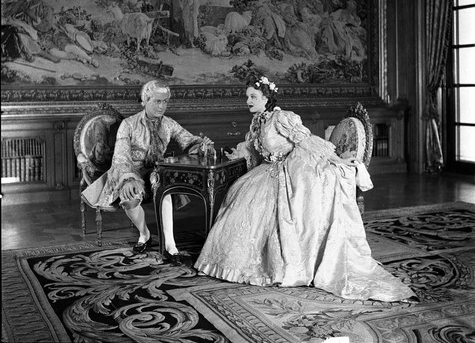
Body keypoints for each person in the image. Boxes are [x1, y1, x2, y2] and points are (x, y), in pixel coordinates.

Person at [194, 76, 416, 302]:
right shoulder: (258, 122)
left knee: (263, 205)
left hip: (290, 169)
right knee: (240, 196)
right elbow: (251, 148)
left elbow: (306, 140)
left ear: (266, 98)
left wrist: (336, 159)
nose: (248, 101)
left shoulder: (281, 118)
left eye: (253, 97)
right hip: (267, 170)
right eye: (247, 97)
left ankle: (284, 264)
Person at [81, 79, 214, 261]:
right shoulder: (128, 124)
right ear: (145, 100)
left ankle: (170, 245)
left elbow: (188, 140)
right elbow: (121, 156)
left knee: (165, 185)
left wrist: (201, 145)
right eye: (157, 101)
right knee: (129, 199)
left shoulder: (168, 123)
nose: (162, 106)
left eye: (165, 101)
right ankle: (144, 234)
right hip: (130, 171)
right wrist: (128, 179)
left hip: (156, 172)